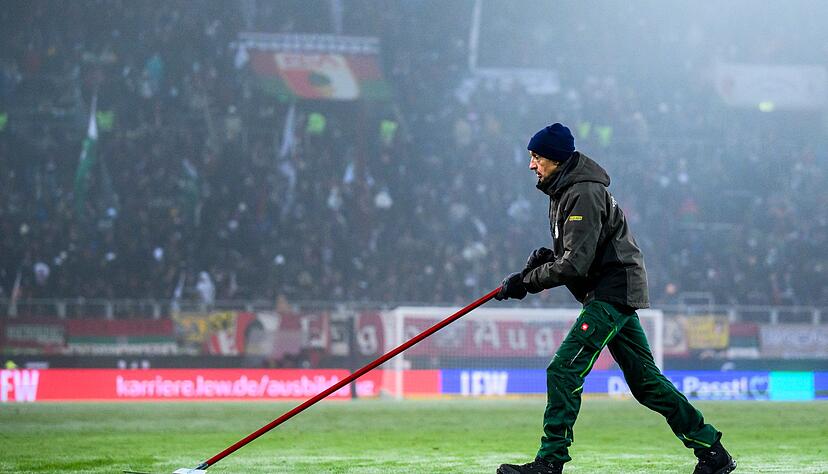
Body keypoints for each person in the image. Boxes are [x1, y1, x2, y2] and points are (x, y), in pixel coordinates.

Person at [494, 123, 736, 474]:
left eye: (537, 157)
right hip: (613, 290)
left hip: (611, 293)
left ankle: (550, 462)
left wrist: (525, 281)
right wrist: (548, 260)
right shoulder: (564, 191)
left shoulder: (583, 193)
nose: (532, 165)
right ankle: (713, 451)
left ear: (557, 159)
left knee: (563, 369)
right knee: (646, 382)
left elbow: (575, 265)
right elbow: (579, 252)